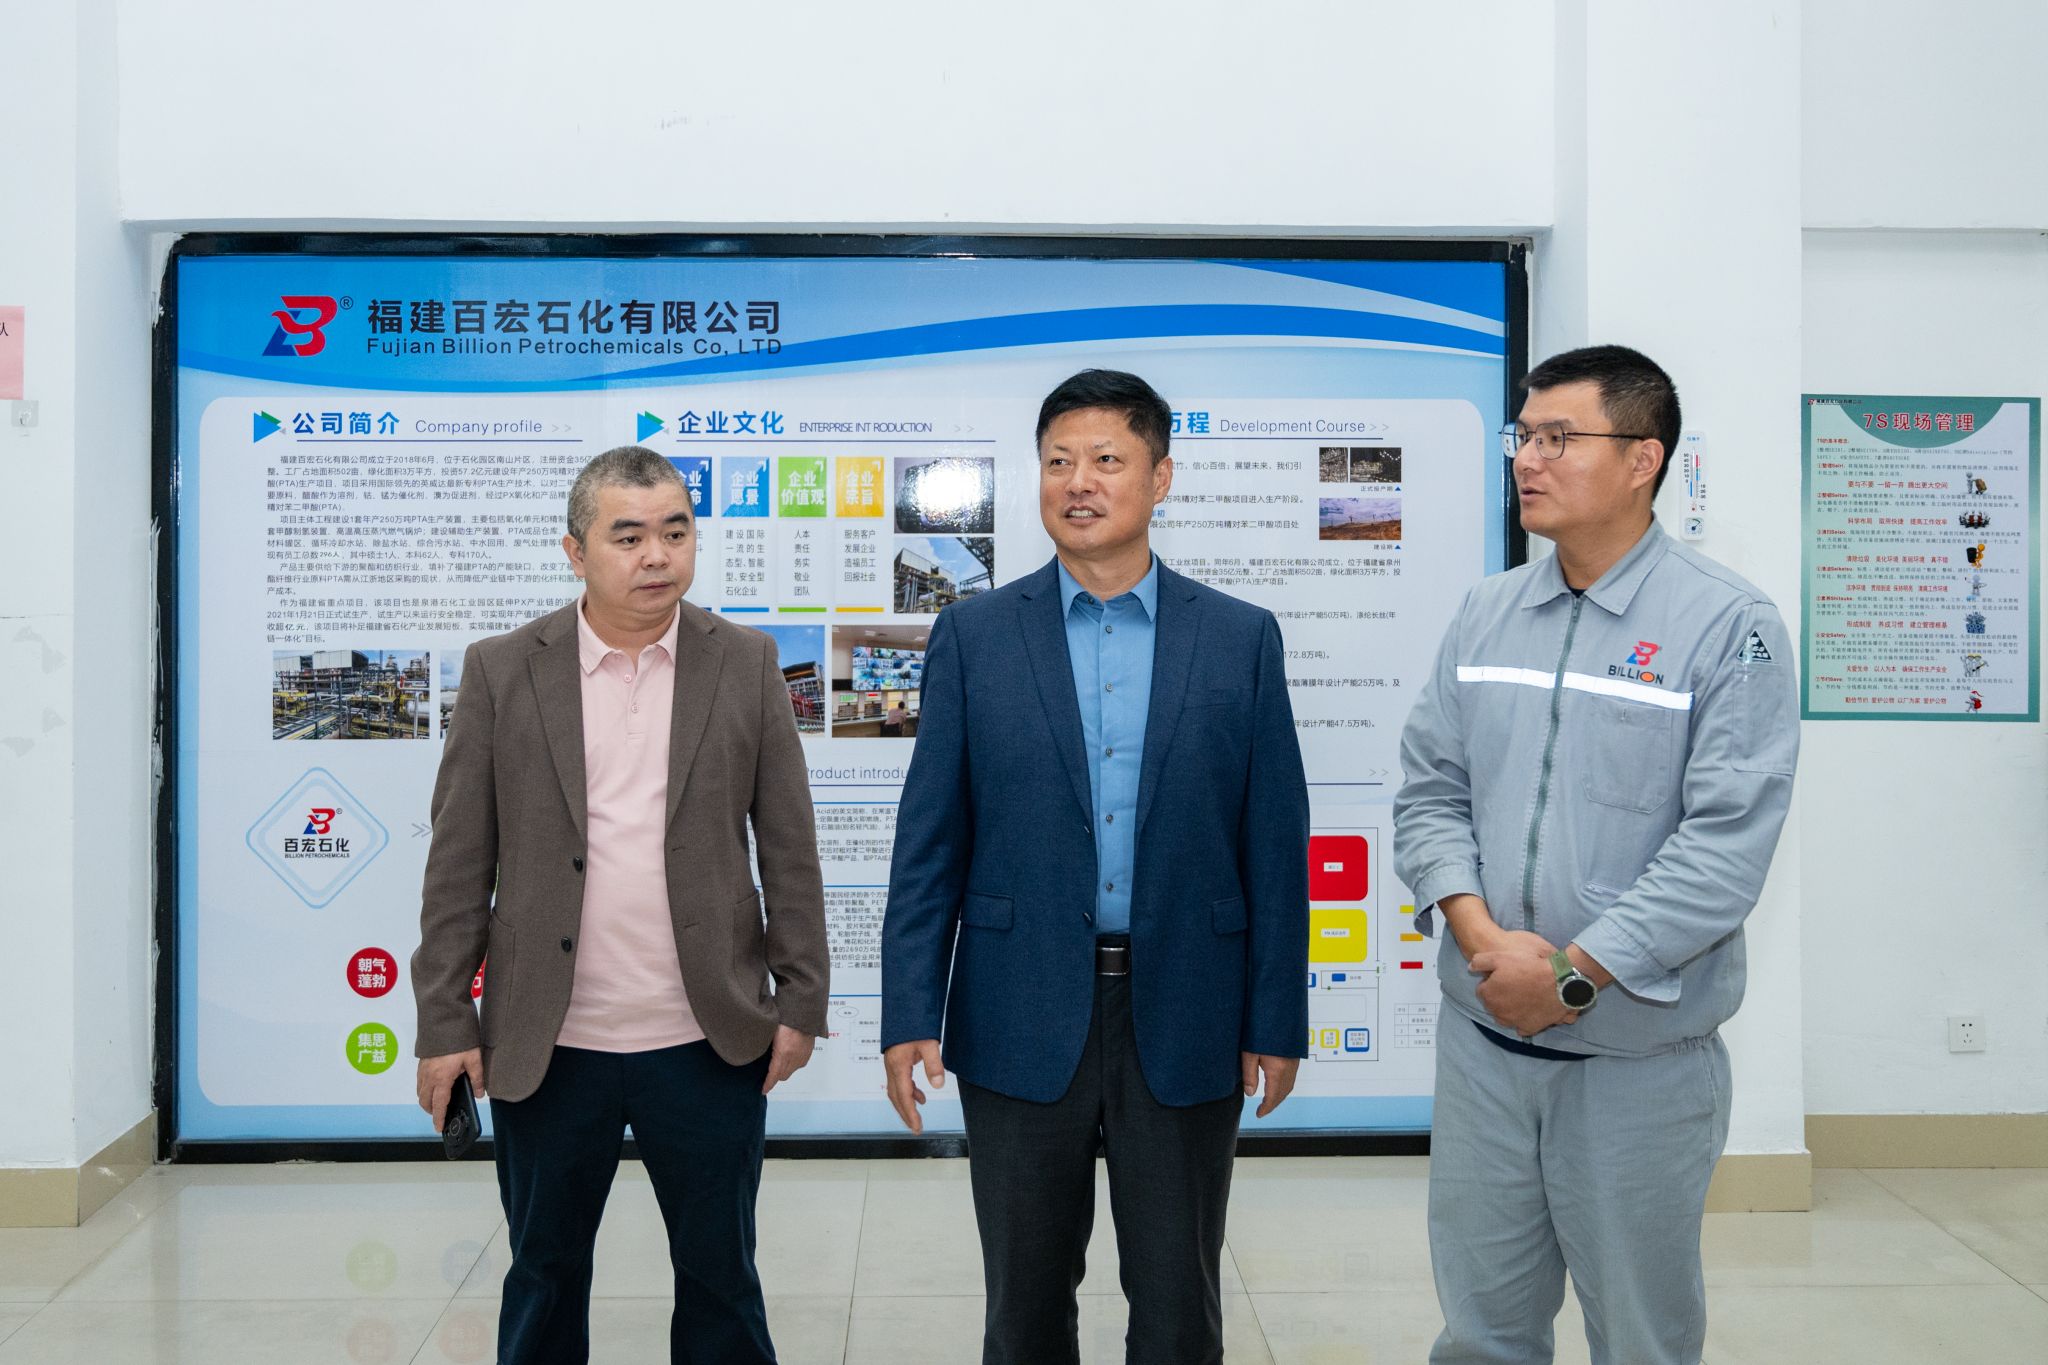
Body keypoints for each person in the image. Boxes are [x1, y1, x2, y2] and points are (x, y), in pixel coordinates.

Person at [881, 369, 1310, 1365]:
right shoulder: (973, 636)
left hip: (1188, 1012)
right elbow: (928, 844)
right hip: (1017, 1005)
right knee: (1024, 1308)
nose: (1078, 482)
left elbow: (1272, 847)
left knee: (1177, 1306)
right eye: (1057, 461)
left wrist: (1274, 1018)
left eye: (1106, 460)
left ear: (1160, 478)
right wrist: (909, 1010)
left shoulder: (1238, 638)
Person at [1394, 345, 1798, 1364]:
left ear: (1641, 459)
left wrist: (1571, 976)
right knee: (1481, 1331)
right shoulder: (1487, 612)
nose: (1526, 459)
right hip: (1484, 1042)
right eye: (1522, 435)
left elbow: (1723, 849)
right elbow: (1431, 792)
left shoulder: (1726, 625)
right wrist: (1482, 940)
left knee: (1639, 1338)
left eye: (1557, 438)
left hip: (1635, 1063)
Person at [411, 445, 829, 1365]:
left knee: (722, 1279)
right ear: (576, 551)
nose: (657, 556)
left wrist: (802, 999)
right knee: (544, 1275)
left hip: (707, 1034)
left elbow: (789, 847)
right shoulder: (503, 669)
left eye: (675, 532)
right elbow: (457, 863)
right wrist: (444, 1018)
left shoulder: (746, 661)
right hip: (550, 1039)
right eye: (629, 536)